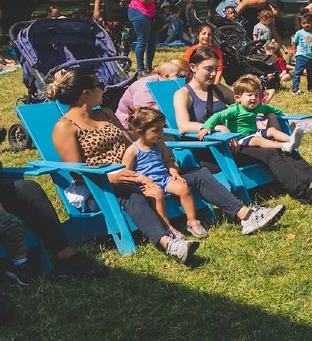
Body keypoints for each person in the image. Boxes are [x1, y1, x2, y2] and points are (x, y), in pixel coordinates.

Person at [48, 69, 286, 264]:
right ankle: (170, 243)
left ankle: (246, 216)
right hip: (105, 184)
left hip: (141, 168)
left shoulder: (106, 113)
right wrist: (118, 177)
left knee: (198, 175)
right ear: (86, 94)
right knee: (135, 198)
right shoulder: (65, 127)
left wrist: (164, 160)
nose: (104, 89)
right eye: (100, 86)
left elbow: (134, 141)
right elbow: (77, 172)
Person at [174, 47, 312, 207]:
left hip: (238, 142)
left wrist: (269, 114)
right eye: (208, 69)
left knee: (281, 148)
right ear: (193, 68)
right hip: (213, 151)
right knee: (271, 152)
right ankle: (309, 195)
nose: (213, 74)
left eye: (215, 68)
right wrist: (219, 129)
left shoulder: (219, 89)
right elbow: (183, 126)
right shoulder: (183, 94)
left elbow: (245, 103)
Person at [124, 107, 207, 239]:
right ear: (139, 132)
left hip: (164, 179)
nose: (160, 133)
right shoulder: (132, 151)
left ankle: (192, 221)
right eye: (155, 130)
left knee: (183, 188)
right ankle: (167, 227)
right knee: (157, 194)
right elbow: (127, 174)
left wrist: (174, 173)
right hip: (145, 186)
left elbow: (167, 161)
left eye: (162, 128)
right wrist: (142, 180)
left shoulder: (160, 144)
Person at [199, 75, 303, 153]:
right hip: (240, 139)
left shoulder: (256, 107)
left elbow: (268, 108)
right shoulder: (234, 109)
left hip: (253, 133)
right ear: (238, 98)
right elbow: (218, 115)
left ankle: (292, 140)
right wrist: (207, 126)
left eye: (256, 95)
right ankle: (283, 146)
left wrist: (282, 113)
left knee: (272, 130)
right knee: (258, 140)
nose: (254, 98)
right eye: (249, 95)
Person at [127, 0, 172, 76]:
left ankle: (149, 66)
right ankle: (140, 68)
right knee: (142, 40)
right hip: (139, 12)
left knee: (152, 41)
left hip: (150, 14)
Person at [115, 60, 188, 128]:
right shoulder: (144, 87)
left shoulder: (164, 82)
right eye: (180, 76)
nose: (184, 80)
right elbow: (144, 114)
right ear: (166, 75)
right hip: (130, 125)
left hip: (156, 122)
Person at [291, 13, 312, 94]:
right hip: (301, 56)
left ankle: (310, 88)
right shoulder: (299, 33)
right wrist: (294, 51)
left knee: (311, 74)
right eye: (303, 23)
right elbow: (295, 42)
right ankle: (295, 89)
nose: (306, 25)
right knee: (298, 72)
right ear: (301, 24)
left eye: (308, 23)